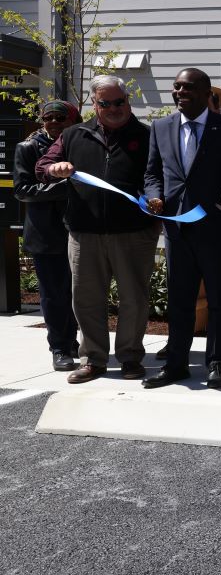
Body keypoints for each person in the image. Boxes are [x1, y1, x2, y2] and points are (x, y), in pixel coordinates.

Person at [36, 75, 159, 384]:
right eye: (107, 103)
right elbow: (43, 166)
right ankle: (93, 359)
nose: (116, 108)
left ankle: (130, 357)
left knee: (134, 297)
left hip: (134, 232)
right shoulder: (73, 135)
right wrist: (55, 169)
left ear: (127, 101)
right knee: (86, 298)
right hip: (84, 233)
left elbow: (158, 175)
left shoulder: (147, 136)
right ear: (95, 104)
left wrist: (156, 198)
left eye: (121, 101)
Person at [142, 68, 221, 390]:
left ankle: (216, 363)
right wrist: (155, 197)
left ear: (204, 91)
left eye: (187, 87)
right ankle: (176, 364)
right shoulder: (160, 127)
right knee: (180, 301)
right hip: (176, 230)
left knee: (218, 300)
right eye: (177, 87)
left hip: (215, 230)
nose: (180, 92)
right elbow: (152, 173)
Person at [14, 100, 81, 371]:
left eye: (60, 118)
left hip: (79, 230)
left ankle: (73, 339)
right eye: (48, 118)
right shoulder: (28, 148)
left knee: (77, 293)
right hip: (46, 233)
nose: (53, 122)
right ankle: (60, 347)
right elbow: (22, 190)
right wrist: (65, 187)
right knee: (53, 294)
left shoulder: (80, 143)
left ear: (73, 120)